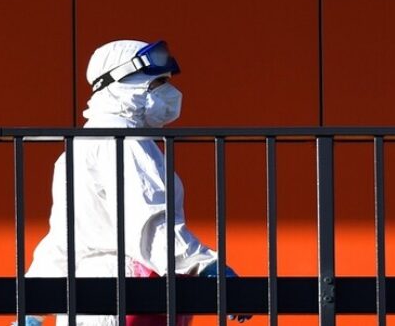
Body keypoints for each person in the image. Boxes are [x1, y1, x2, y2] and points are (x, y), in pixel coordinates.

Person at [23, 40, 250, 326]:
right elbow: (150, 225)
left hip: (82, 303)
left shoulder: (76, 149)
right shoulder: (126, 141)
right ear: (124, 83)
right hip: (128, 295)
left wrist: (32, 310)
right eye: (158, 83)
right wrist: (206, 267)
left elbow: (63, 240)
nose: (170, 93)